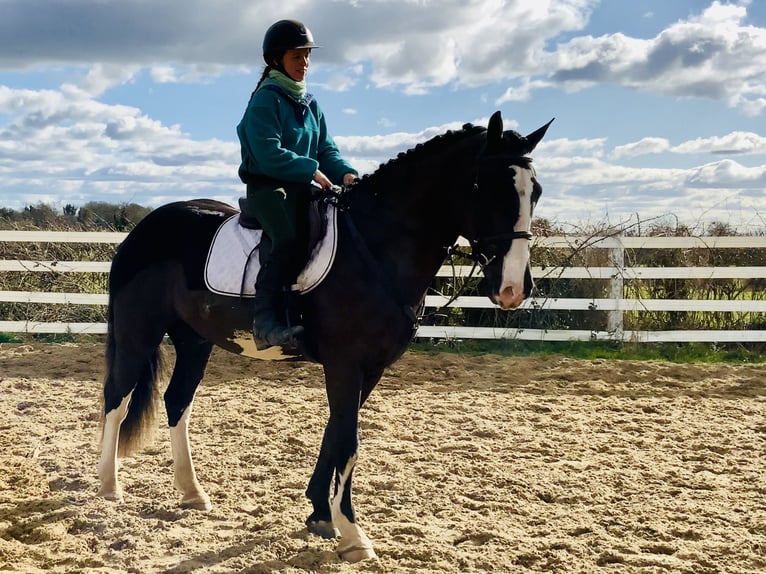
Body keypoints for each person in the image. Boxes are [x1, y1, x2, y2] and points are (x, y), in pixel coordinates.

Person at [237, 19, 358, 351]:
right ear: (277, 60)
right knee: (288, 238)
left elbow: (325, 150)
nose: (304, 64)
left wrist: (347, 173)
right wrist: (313, 171)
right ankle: (264, 322)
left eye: (307, 56)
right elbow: (269, 153)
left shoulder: (311, 103)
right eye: (296, 57)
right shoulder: (266, 101)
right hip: (269, 188)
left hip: (303, 187)